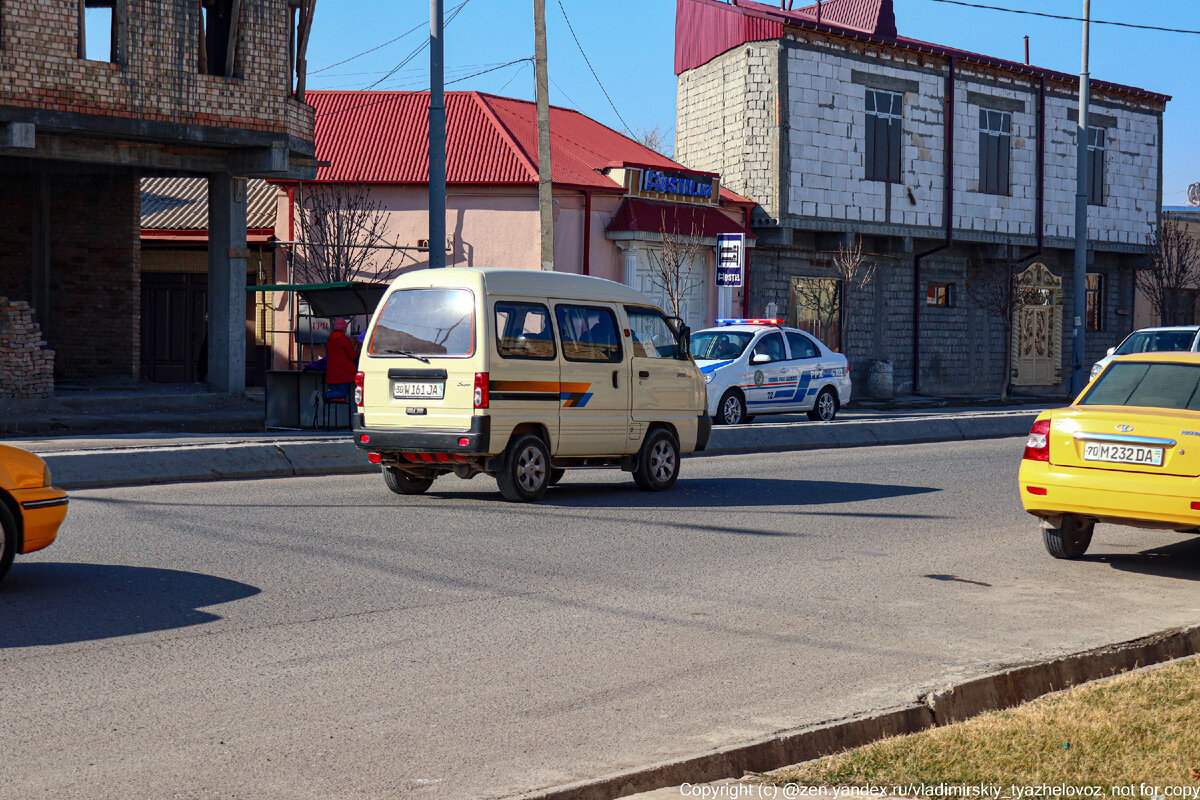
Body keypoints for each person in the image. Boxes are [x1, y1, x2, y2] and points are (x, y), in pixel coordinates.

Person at [324, 318, 360, 401]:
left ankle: (325, 396)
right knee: (343, 394)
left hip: (331, 374)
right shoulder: (345, 340)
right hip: (343, 374)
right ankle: (324, 395)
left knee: (334, 398)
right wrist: (358, 352)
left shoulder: (330, 340)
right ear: (343, 328)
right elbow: (352, 355)